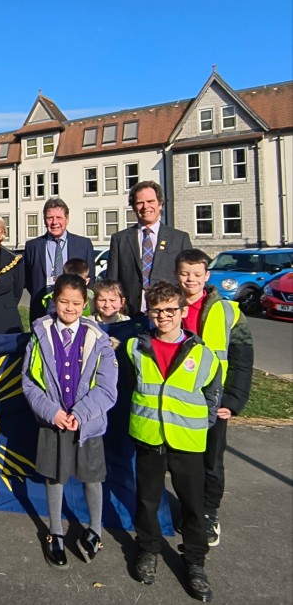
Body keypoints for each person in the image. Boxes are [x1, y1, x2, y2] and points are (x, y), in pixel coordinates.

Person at [126, 281, 221, 602]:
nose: (163, 316)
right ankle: (148, 549)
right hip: (149, 435)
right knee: (148, 499)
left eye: (170, 310)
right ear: (149, 313)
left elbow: (212, 395)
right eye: (156, 311)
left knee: (193, 505)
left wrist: (201, 425)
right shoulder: (135, 348)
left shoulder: (203, 354)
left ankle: (195, 561)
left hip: (187, 440)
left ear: (182, 312)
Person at [22, 274, 117, 569]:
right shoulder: (40, 335)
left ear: (85, 304)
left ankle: (95, 530)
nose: (70, 308)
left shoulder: (98, 339)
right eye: (64, 301)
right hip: (54, 421)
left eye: (76, 303)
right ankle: (55, 532)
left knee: (92, 477)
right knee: (55, 477)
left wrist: (81, 413)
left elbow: (107, 388)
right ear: (55, 301)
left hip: (87, 423)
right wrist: (51, 412)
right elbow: (29, 382)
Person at [175, 249, 253, 548]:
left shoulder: (228, 311)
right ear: (176, 275)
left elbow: (242, 359)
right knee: (183, 461)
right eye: (185, 273)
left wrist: (233, 400)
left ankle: (208, 513)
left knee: (211, 461)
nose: (190, 280)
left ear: (206, 276)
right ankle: (188, 507)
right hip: (179, 399)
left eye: (197, 274)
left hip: (214, 400)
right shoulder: (169, 306)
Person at [107, 181, 192, 318]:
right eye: (140, 203)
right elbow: (112, 281)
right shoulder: (119, 239)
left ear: (160, 204)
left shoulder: (179, 239)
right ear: (133, 207)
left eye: (150, 201)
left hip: (166, 314)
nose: (145, 207)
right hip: (130, 314)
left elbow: (186, 278)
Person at [24, 198, 96, 324]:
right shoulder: (32, 246)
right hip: (42, 311)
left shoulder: (83, 244)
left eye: (59, 217)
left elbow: (90, 279)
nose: (54, 222)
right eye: (50, 218)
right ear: (44, 220)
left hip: (73, 311)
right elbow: (29, 281)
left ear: (67, 219)